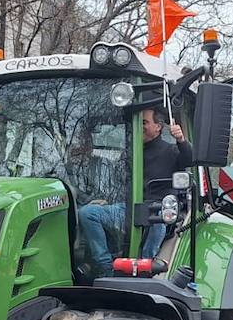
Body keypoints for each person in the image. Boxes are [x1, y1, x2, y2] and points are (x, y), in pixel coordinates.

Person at [78, 106, 191, 276]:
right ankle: (105, 266)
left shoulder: (171, 150)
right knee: (88, 213)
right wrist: (104, 199)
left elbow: (189, 159)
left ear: (158, 127)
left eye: (144, 122)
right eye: (136, 123)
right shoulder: (130, 153)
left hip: (157, 211)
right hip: (127, 209)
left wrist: (181, 140)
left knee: (159, 215)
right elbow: (118, 182)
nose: (139, 127)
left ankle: (143, 268)